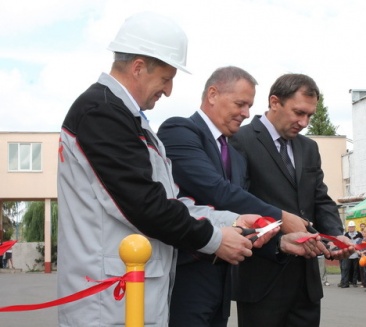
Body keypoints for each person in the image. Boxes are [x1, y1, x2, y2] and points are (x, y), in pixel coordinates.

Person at [56, 13, 260, 326]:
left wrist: (229, 220)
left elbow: (168, 201)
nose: (168, 91)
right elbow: (144, 206)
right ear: (138, 67)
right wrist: (215, 239)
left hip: (130, 295)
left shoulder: (126, 118)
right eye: (165, 79)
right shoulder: (101, 114)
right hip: (107, 302)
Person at [157, 66, 329, 327]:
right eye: (240, 103)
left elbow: (241, 217)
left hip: (224, 275)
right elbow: (216, 190)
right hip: (188, 273)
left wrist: (280, 244)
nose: (246, 113)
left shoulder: (234, 154)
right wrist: (281, 217)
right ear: (212, 94)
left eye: (249, 105)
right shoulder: (180, 130)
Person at [229, 73, 349, 327]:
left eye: (309, 115)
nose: (304, 122)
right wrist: (280, 228)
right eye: (298, 112)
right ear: (274, 102)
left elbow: (320, 199)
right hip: (262, 279)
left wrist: (337, 236)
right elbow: (237, 200)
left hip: (305, 285)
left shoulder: (308, 148)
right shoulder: (240, 140)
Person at [340, 220, 362, 288]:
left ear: (354, 227)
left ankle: (354, 282)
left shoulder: (359, 234)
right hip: (348, 255)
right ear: (348, 228)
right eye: (350, 227)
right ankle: (345, 282)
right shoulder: (345, 235)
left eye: (352, 227)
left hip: (355, 254)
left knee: (355, 269)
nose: (351, 228)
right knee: (346, 269)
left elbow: (360, 244)